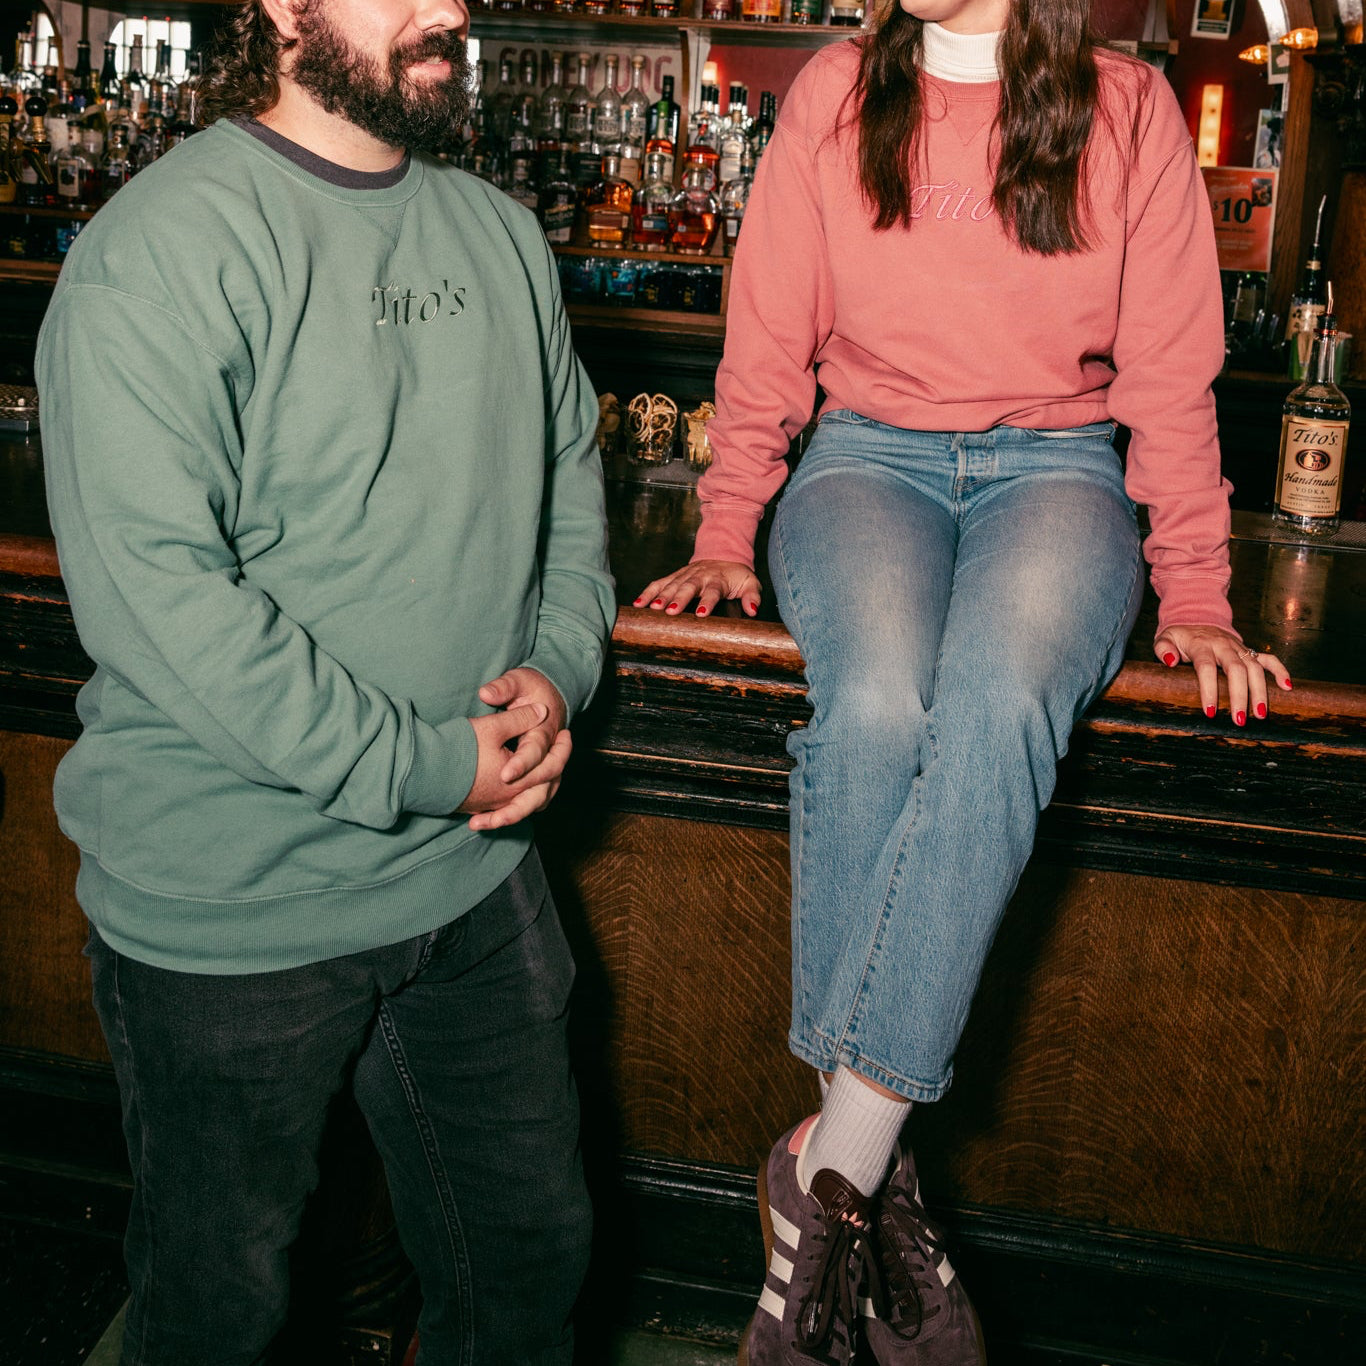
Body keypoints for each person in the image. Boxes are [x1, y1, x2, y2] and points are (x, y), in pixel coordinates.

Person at [635, 2, 1291, 1363]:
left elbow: (1171, 376)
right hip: (863, 457)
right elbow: (765, 340)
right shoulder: (831, 90)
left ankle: (826, 1183)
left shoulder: (1127, 105)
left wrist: (1198, 593)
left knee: (995, 708)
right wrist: (720, 530)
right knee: (873, 705)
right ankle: (869, 1187)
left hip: (1055, 468)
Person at [36, 0, 614, 1361]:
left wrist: (558, 664)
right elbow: (164, 603)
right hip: (234, 907)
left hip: (472, 880)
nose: (454, 6)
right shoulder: (160, 250)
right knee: (219, 1314)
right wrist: (429, 763)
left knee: (528, 1272)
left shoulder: (501, 233)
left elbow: (567, 489)